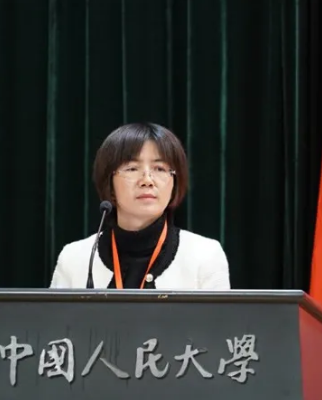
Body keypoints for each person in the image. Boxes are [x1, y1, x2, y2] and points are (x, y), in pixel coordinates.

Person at [49, 122, 230, 290]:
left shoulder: (205, 255)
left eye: (160, 169)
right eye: (132, 169)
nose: (147, 180)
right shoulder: (74, 258)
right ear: (109, 182)